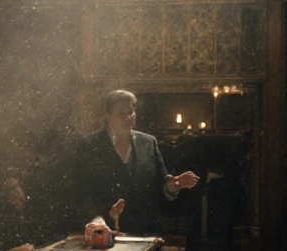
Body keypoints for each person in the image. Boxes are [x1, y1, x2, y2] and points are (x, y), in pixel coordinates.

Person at [75, 90, 199, 236]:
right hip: (104, 232)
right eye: (121, 114)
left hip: (146, 231)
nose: (128, 118)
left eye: (131, 112)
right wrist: (97, 219)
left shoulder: (148, 143)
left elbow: (160, 186)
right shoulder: (89, 145)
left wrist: (173, 185)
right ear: (107, 116)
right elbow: (81, 191)